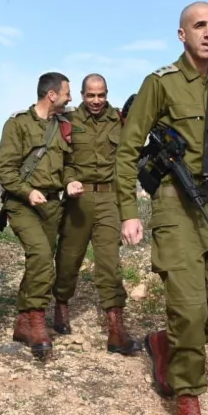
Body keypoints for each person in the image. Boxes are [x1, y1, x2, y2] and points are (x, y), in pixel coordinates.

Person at [116, 1, 208, 415]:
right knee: (189, 310)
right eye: (199, 26)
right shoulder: (160, 83)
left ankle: (165, 344)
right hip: (174, 207)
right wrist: (128, 210)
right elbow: (128, 145)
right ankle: (187, 403)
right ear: (181, 35)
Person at [53, 73, 142, 356]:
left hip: (108, 199)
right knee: (68, 258)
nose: (96, 100)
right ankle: (62, 305)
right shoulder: (67, 120)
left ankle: (116, 328)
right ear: (81, 95)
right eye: (90, 95)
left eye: (101, 95)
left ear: (107, 93)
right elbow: (63, 158)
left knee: (109, 264)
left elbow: (128, 158)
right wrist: (68, 182)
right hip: (78, 200)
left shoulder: (118, 120)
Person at [0, 72, 72, 360]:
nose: (70, 97)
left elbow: (68, 165)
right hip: (22, 204)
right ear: (51, 94)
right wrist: (27, 192)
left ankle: (22, 322)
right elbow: (5, 170)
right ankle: (37, 318)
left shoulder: (63, 126)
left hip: (52, 204)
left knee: (39, 262)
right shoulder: (18, 124)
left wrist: (70, 182)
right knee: (40, 256)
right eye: (67, 92)